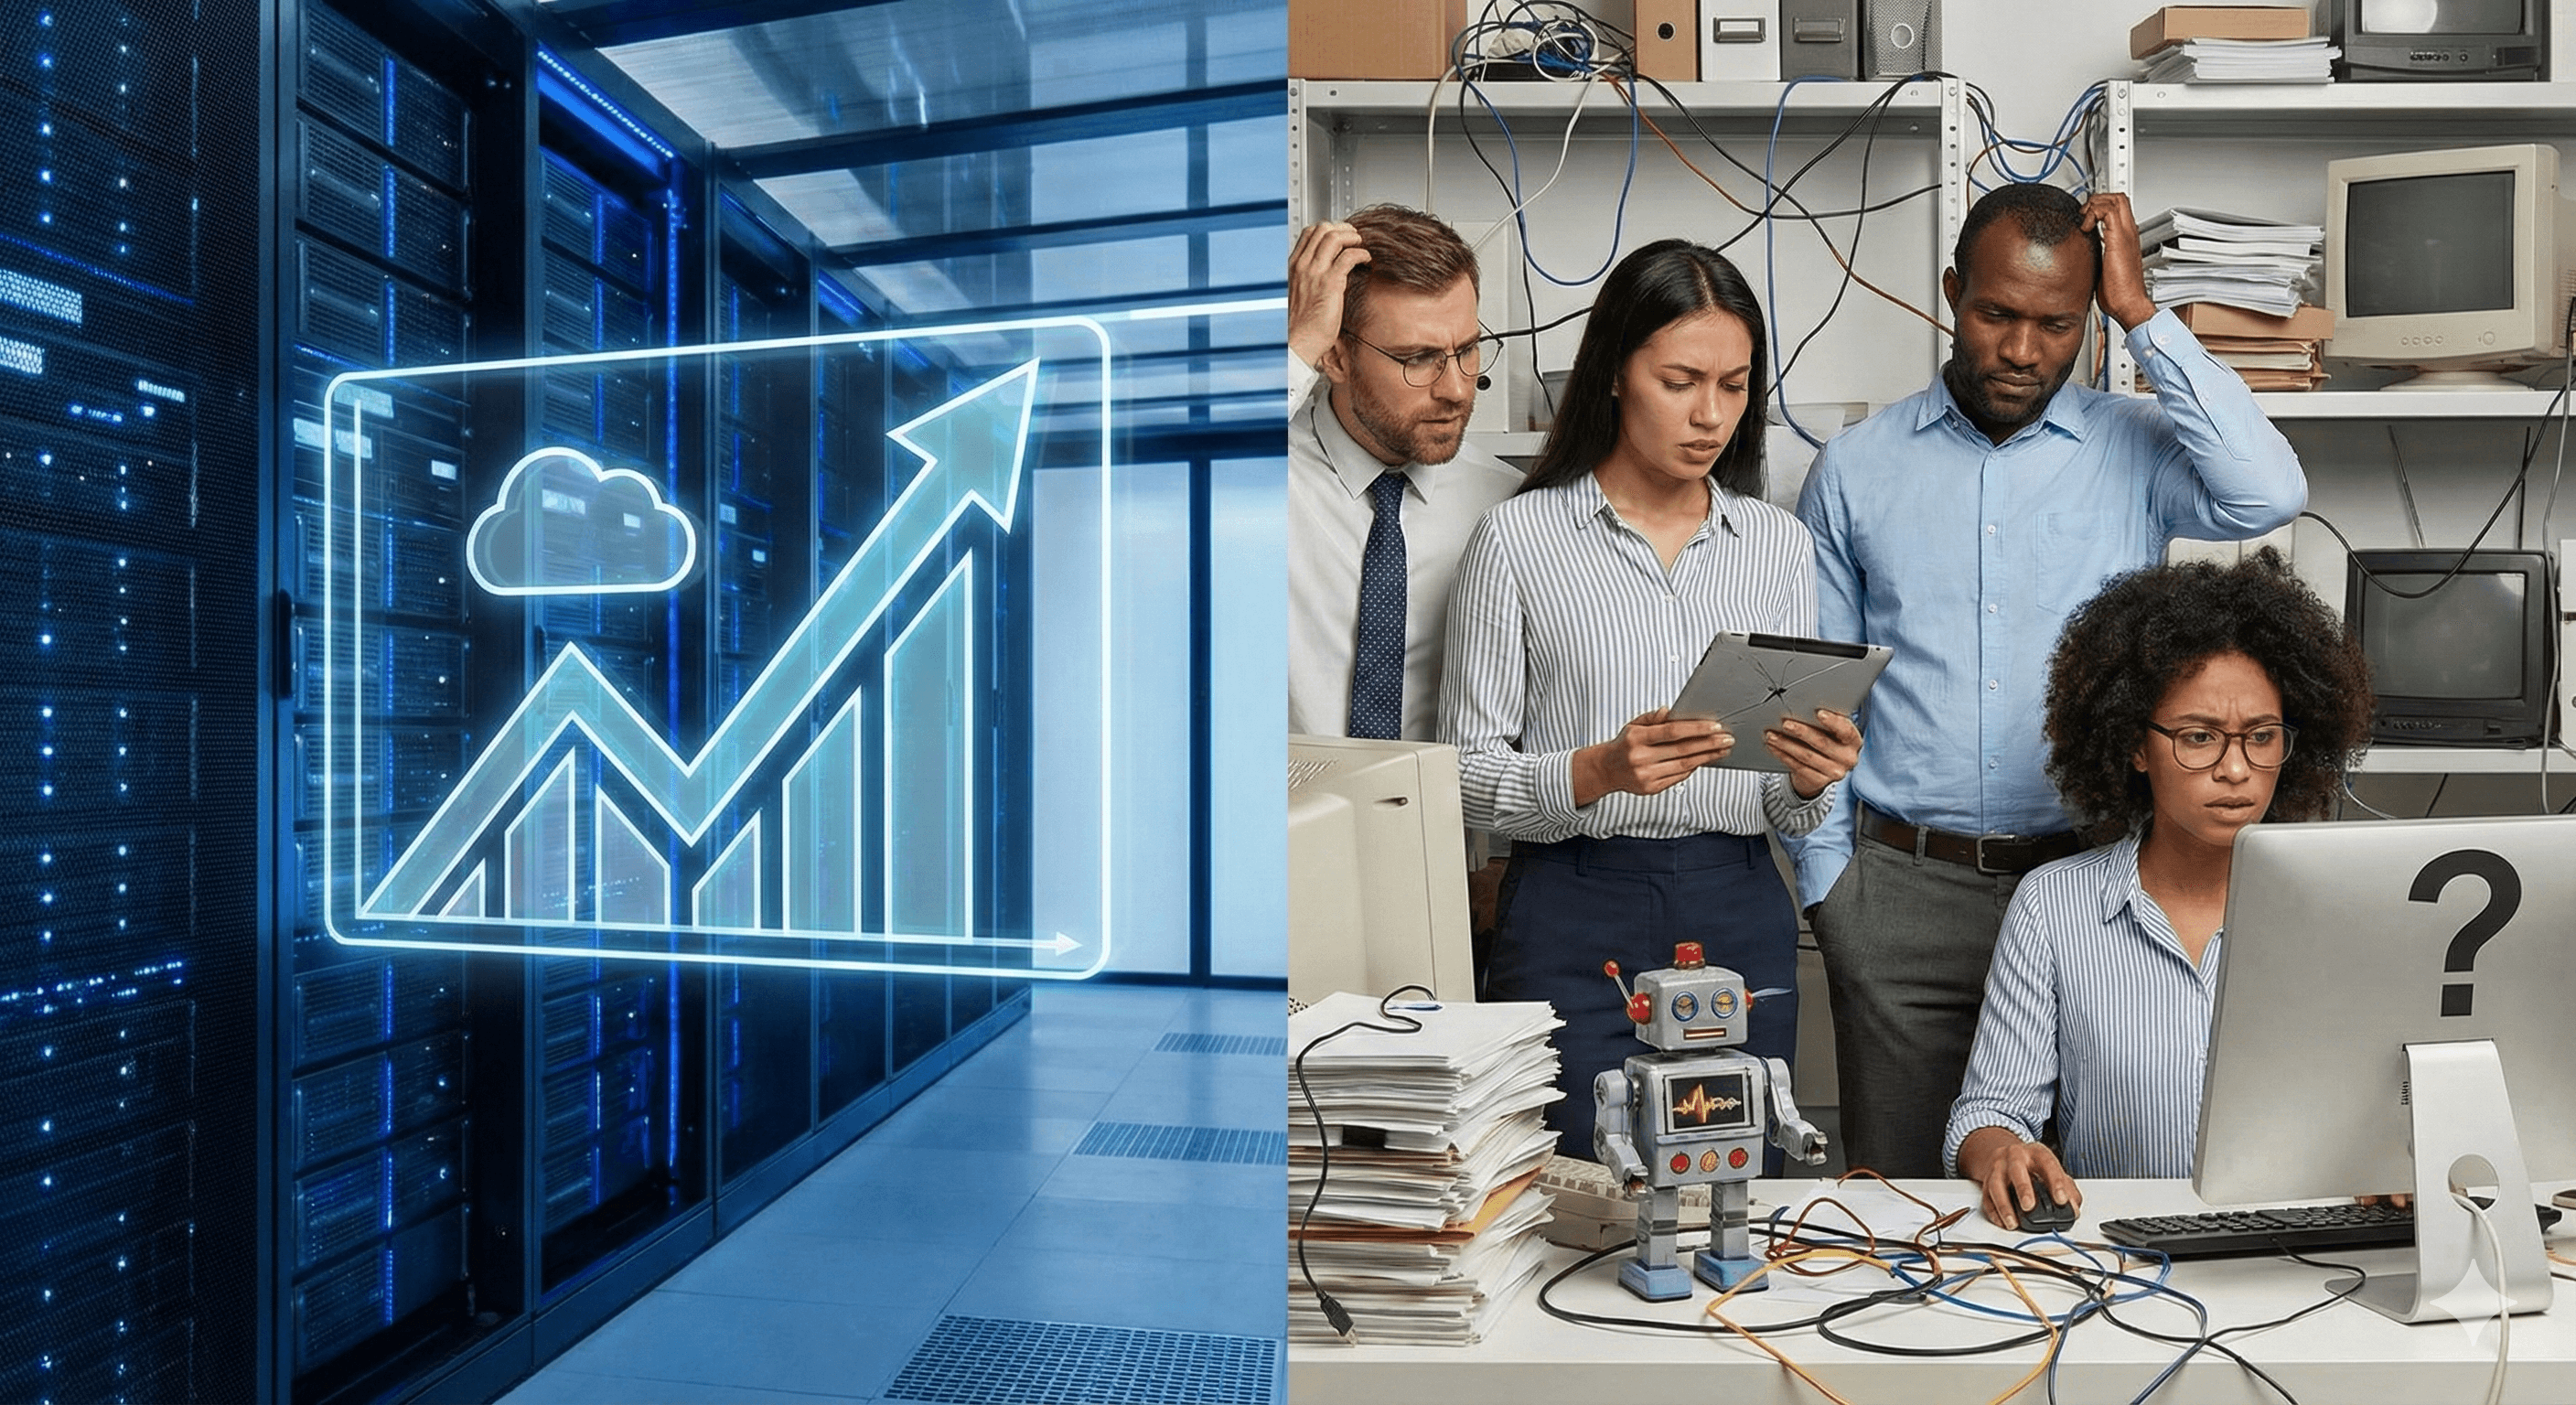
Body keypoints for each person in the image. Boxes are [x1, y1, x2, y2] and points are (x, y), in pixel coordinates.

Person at [1790, 183, 2309, 1177]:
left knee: (2104, 1199)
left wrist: (2142, 318)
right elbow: (1820, 701)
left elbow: (2269, 490)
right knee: (1909, 1215)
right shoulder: (1853, 470)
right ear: (1950, 294)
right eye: (1995, 315)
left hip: (2104, 885)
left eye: (2054, 324)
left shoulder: (2136, 446)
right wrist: (1833, 893)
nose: (2022, 351)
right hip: (1900, 895)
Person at [1440, 239, 1863, 1158]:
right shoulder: (1516, 540)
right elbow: (1462, 781)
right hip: (1569, 906)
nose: (1710, 414)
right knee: (1567, 1188)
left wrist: (1808, 779)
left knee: (1732, 1185)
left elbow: (1786, 807)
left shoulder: (1775, 545)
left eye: (1734, 384)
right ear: (1612, 376)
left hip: (1738, 902)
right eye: (1679, 380)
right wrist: (1596, 770)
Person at [1944, 550, 2372, 1228]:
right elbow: (1989, 1111)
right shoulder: (2053, 906)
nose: (2236, 769)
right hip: (2123, 1260)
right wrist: (2002, 1153)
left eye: (2261, 737)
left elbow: (2390, 1102)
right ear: (2135, 746)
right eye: (2199, 737)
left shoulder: (2340, 907)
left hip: (2305, 1261)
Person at [1288, 207, 1523, 742]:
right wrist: (1297, 346)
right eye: (1418, 359)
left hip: (1442, 823)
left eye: (1466, 351)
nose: (1458, 389)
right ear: (1335, 357)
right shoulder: (1255, 482)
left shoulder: (1505, 505)